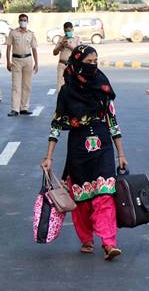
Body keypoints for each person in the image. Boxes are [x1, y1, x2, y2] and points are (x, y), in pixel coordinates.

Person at [40, 45, 127, 261]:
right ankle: (86, 238)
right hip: (78, 148)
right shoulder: (67, 92)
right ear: (78, 64)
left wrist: (121, 154)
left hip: (103, 145)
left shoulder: (102, 86)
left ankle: (108, 242)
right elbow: (57, 124)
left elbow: (112, 121)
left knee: (105, 193)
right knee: (82, 197)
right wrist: (49, 157)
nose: (93, 65)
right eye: (88, 62)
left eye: (96, 61)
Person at [6, 14, 38, 116]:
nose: (23, 22)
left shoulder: (31, 34)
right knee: (16, 85)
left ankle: (24, 108)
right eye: (21, 20)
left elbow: (34, 49)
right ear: (18, 21)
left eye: (25, 20)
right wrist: (8, 62)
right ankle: (15, 109)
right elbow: (8, 48)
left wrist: (36, 63)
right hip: (16, 60)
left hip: (28, 60)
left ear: (27, 21)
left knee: (27, 85)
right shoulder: (13, 33)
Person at [53, 22, 81, 93]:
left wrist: (70, 46)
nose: (68, 32)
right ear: (64, 30)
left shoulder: (76, 39)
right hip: (62, 64)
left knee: (73, 86)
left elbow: (79, 52)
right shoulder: (61, 39)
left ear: (72, 29)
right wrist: (61, 45)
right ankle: (61, 103)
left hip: (72, 65)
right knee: (60, 86)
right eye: (66, 31)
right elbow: (54, 53)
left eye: (69, 30)